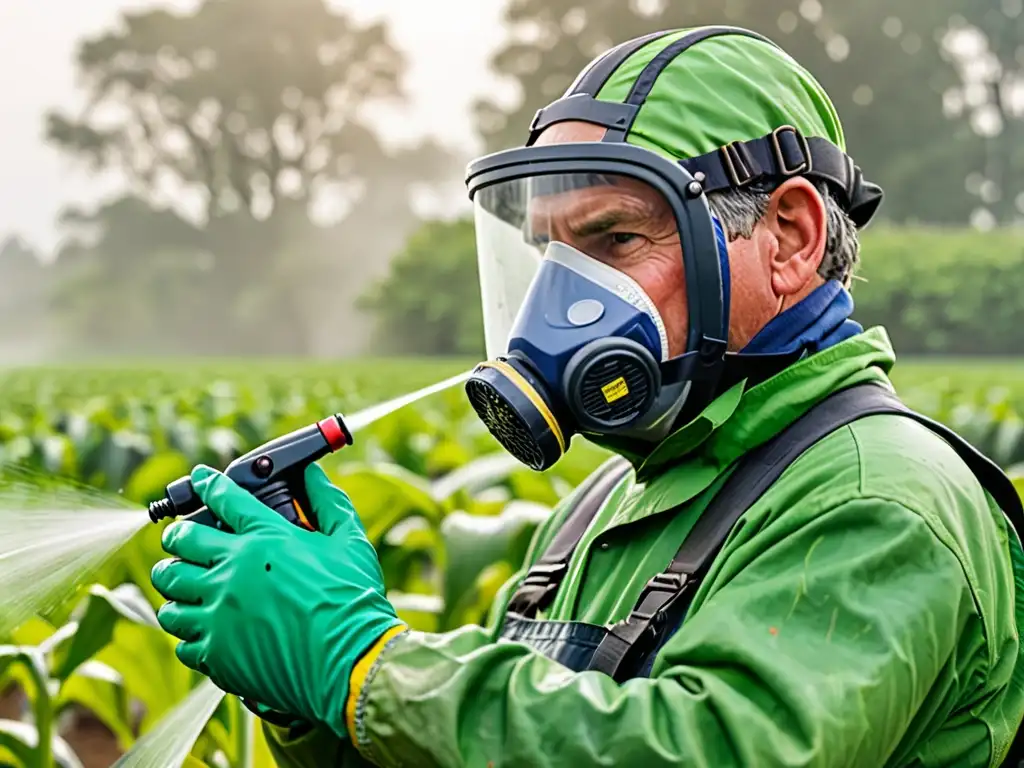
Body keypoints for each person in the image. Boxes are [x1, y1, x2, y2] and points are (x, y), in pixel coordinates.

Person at [150, 26, 1024, 767]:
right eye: (549, 255)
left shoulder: (882, 498)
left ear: (787, 239)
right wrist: (310, 696)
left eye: (613, 238)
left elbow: (709, 748)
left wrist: (365, 665)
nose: (558, 303)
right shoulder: (597, 511)